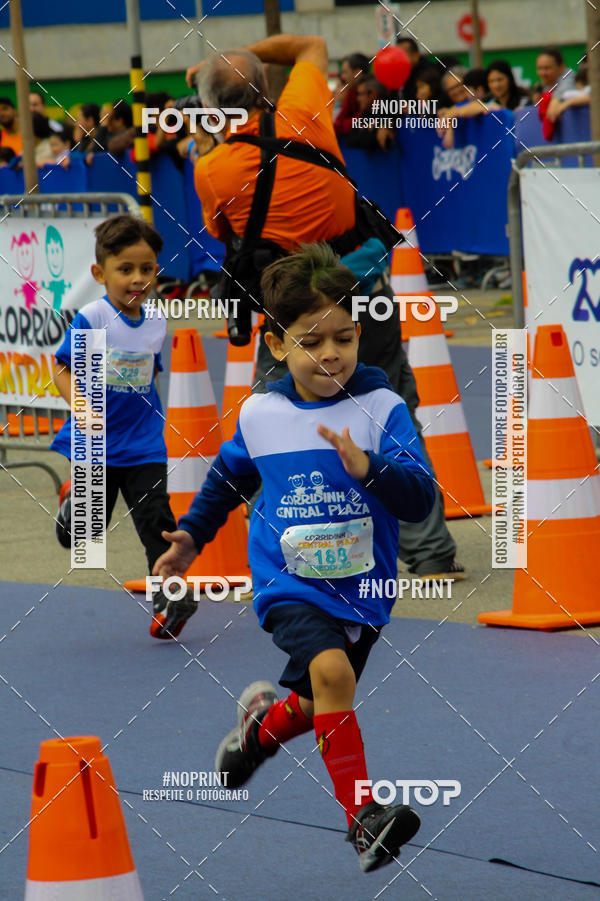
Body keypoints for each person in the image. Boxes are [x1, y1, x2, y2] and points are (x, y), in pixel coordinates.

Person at [154, 243, 433, 871]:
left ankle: (260, 732)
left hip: (363, 590)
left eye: (343, 337)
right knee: (333, 677)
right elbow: (229, 478)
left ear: (360, 335)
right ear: (277, 346)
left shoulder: (382, 409)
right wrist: (192, 537)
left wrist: (372, 469)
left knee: (316, 702)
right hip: (288, 584)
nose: (330, 353)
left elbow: (419, 500)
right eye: (311, 341)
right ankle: (364, 820)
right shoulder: (262, 412)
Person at [188, 32, 463, 581]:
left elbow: (225, 233)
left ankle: (292, 545)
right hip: (357, 286)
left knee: (271, 420)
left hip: (288, 307)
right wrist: (250, 56)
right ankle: (431, 553)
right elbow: (312, 44)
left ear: (210, 109)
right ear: (268, 87)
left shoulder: (212, 170)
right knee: (392, 410)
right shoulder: (305, 109)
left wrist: (217, 82)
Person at [50, 214, 197, 641]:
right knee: (84, 536)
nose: (138, 279)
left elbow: (150, 374)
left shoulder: (155, 321)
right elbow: (62, 367)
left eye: (147, 269)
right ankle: (72, 502)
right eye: (126, 269)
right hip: (98, 443)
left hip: (144, 443)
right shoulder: (95, 318)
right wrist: (80, 404)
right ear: (100, 273)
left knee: (156, 521)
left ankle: (171, 599)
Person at [345, 75, 394, 151]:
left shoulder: (392, 112)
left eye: (360, 94)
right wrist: (373, 131)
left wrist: (366, 130)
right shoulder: (367, 112)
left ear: (373, 95)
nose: (357, 99)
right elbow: (351, 139)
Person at [333, 52, 370, 136]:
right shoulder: (351, 92)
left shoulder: (372, 93)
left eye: (345, 72)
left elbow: (360, 120)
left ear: (357, 73)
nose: (342, 77)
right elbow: (339, 123)